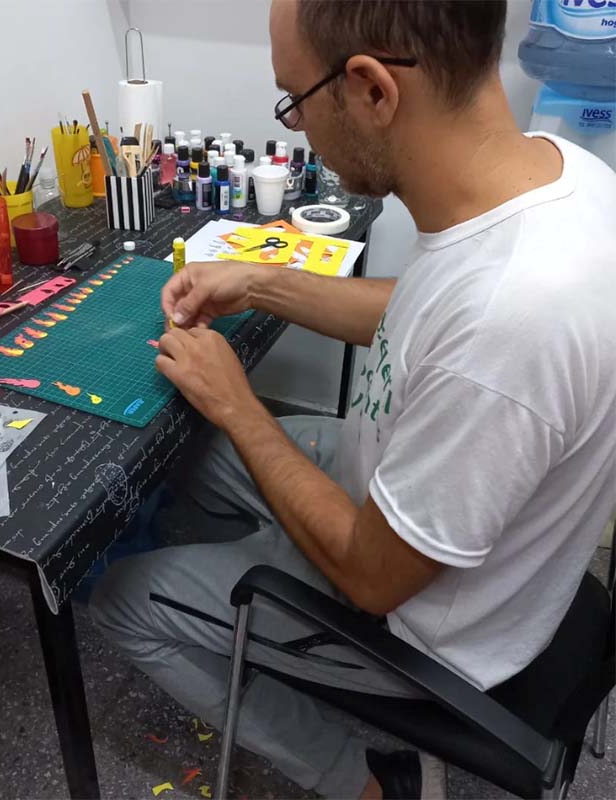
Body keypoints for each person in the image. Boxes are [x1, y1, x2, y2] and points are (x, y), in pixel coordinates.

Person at [90, 1, 616, 797]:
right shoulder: (562, 176)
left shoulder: (511, 320)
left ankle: (365, 782)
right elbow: (429, 312)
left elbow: (373, 579)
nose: (297, 124)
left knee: (123, 602)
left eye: (295, 98)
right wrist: (260, 282)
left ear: (372, 89)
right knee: (192, 448)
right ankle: (242, 567)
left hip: (421, 626)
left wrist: (240, 403)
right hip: (413, 489)